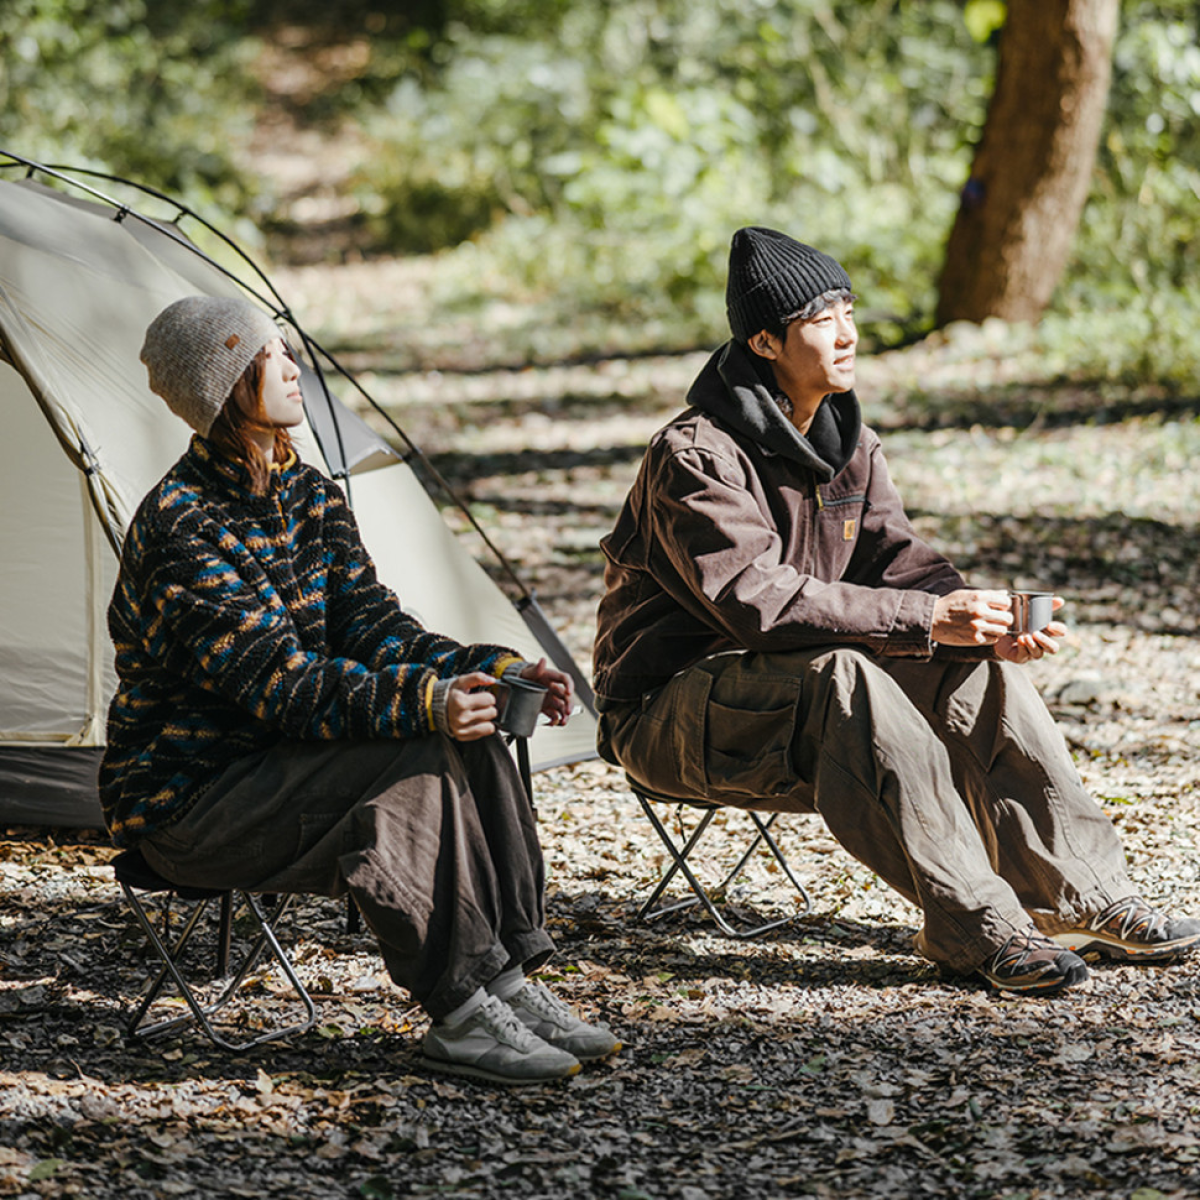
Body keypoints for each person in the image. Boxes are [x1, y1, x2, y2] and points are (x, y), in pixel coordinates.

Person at [593, 226, 1200, 995]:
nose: (847, 334)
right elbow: (756, 602)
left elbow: (900, 565)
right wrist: (923, 620)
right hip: (669, 715)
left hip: (788, 693)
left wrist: (976, 621)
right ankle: (979, 927)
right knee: (843, 677)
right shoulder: (696, 456)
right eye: (821, 319)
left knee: (972, 671)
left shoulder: (849, 442)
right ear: (765, 342)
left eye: (849, 310)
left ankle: (1084, 895)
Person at [101, 294, 620, 1083]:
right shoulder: (183, 527)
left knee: (474, 734)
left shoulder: (308, 495)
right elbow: (283, 686)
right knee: (416, 764)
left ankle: (506, 980)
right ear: (225, 383)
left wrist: (491, 669)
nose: (292, 367)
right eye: (270, 355)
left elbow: (377, 629)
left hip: (285, 766)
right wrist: (425, 702)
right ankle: (460, 1012)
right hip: (193, 801)